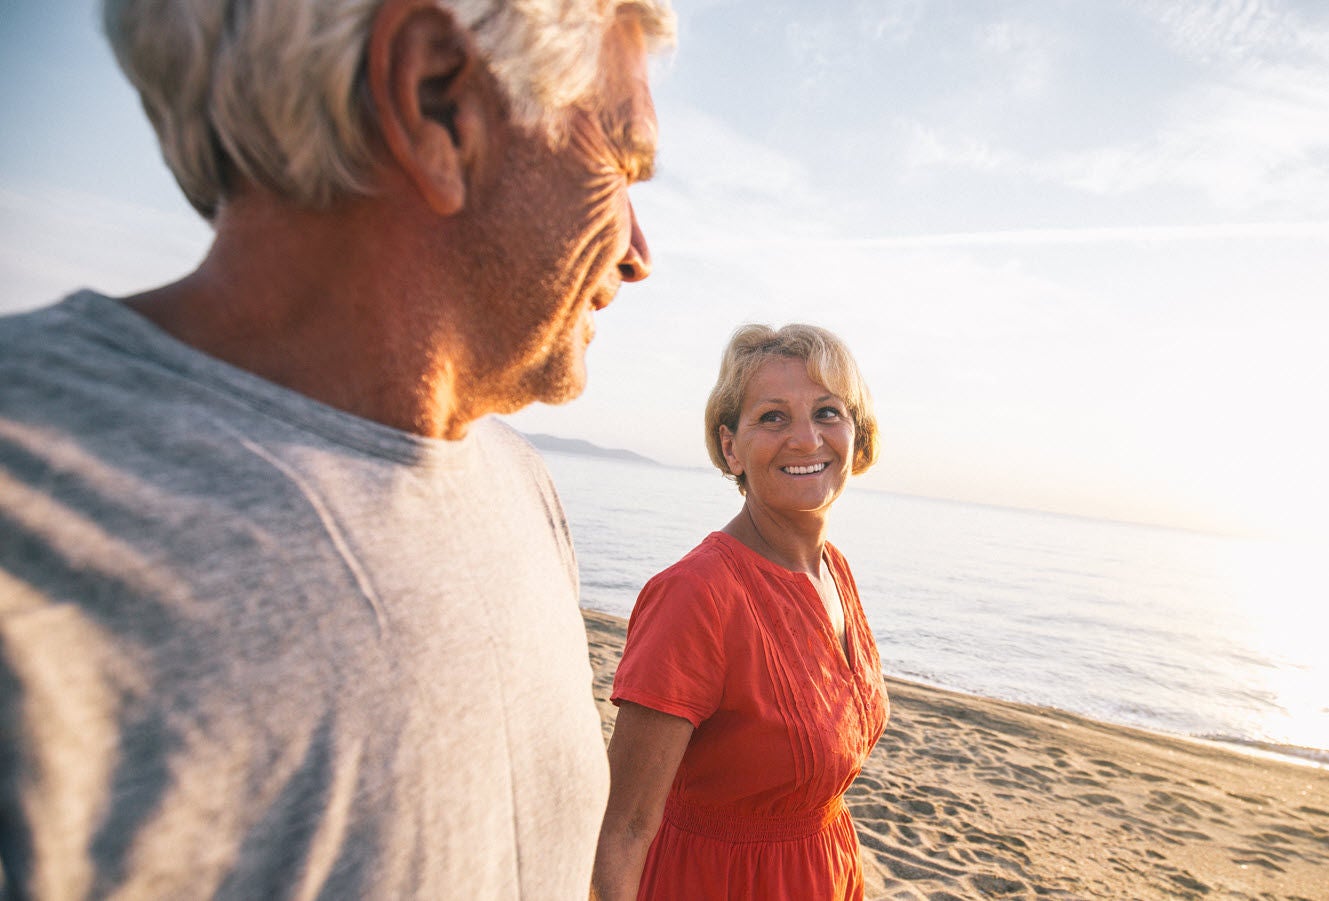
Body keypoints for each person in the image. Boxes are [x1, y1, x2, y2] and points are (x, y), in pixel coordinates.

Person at [0, 0, 673, 896]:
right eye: (621, 160)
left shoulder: (523, 486)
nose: (639, 253)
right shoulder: (31, 503)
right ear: (438, 102)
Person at [592, 324, 890, 900]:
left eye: (828, 412)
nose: (807, 439)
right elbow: (622, 827)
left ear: (857, 434)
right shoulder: (696, 595)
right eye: (773, 417)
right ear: (731, 447)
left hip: (823, 874)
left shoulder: (835, 571)